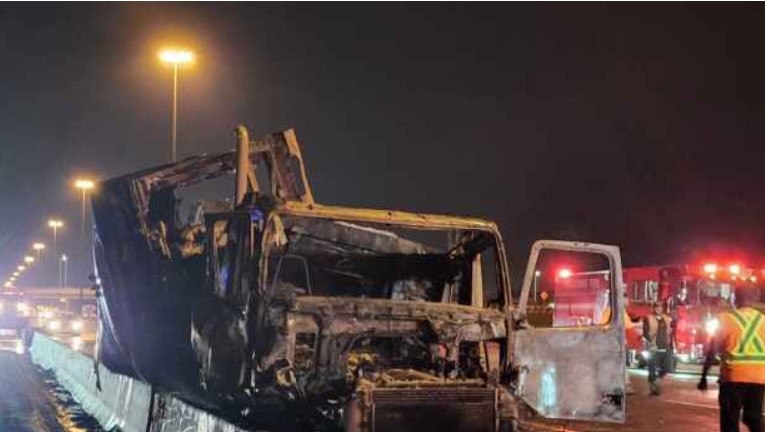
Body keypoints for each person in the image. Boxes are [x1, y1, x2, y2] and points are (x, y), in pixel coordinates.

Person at [699, 287, 765, 432]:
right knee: (754, 417)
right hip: (759, 377)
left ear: (735, 299)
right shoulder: (763, 320)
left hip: (733, 376)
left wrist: (704, 376)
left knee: (730, 420)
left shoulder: (725, 318)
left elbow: (713, 349)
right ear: (754, 300)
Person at [643, 301, 671, 395]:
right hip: (653, 347)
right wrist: (650, 340)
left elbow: (669, 331)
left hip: (664, 346)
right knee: (652, 367)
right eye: (657, 307)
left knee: (666, 368)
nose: (659, 309)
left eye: (660, 307)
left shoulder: (666, 318)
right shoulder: (648, 318)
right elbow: (645, 332)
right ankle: (653, 386)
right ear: (654, 308)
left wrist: (670, 344)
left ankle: (657, 380)